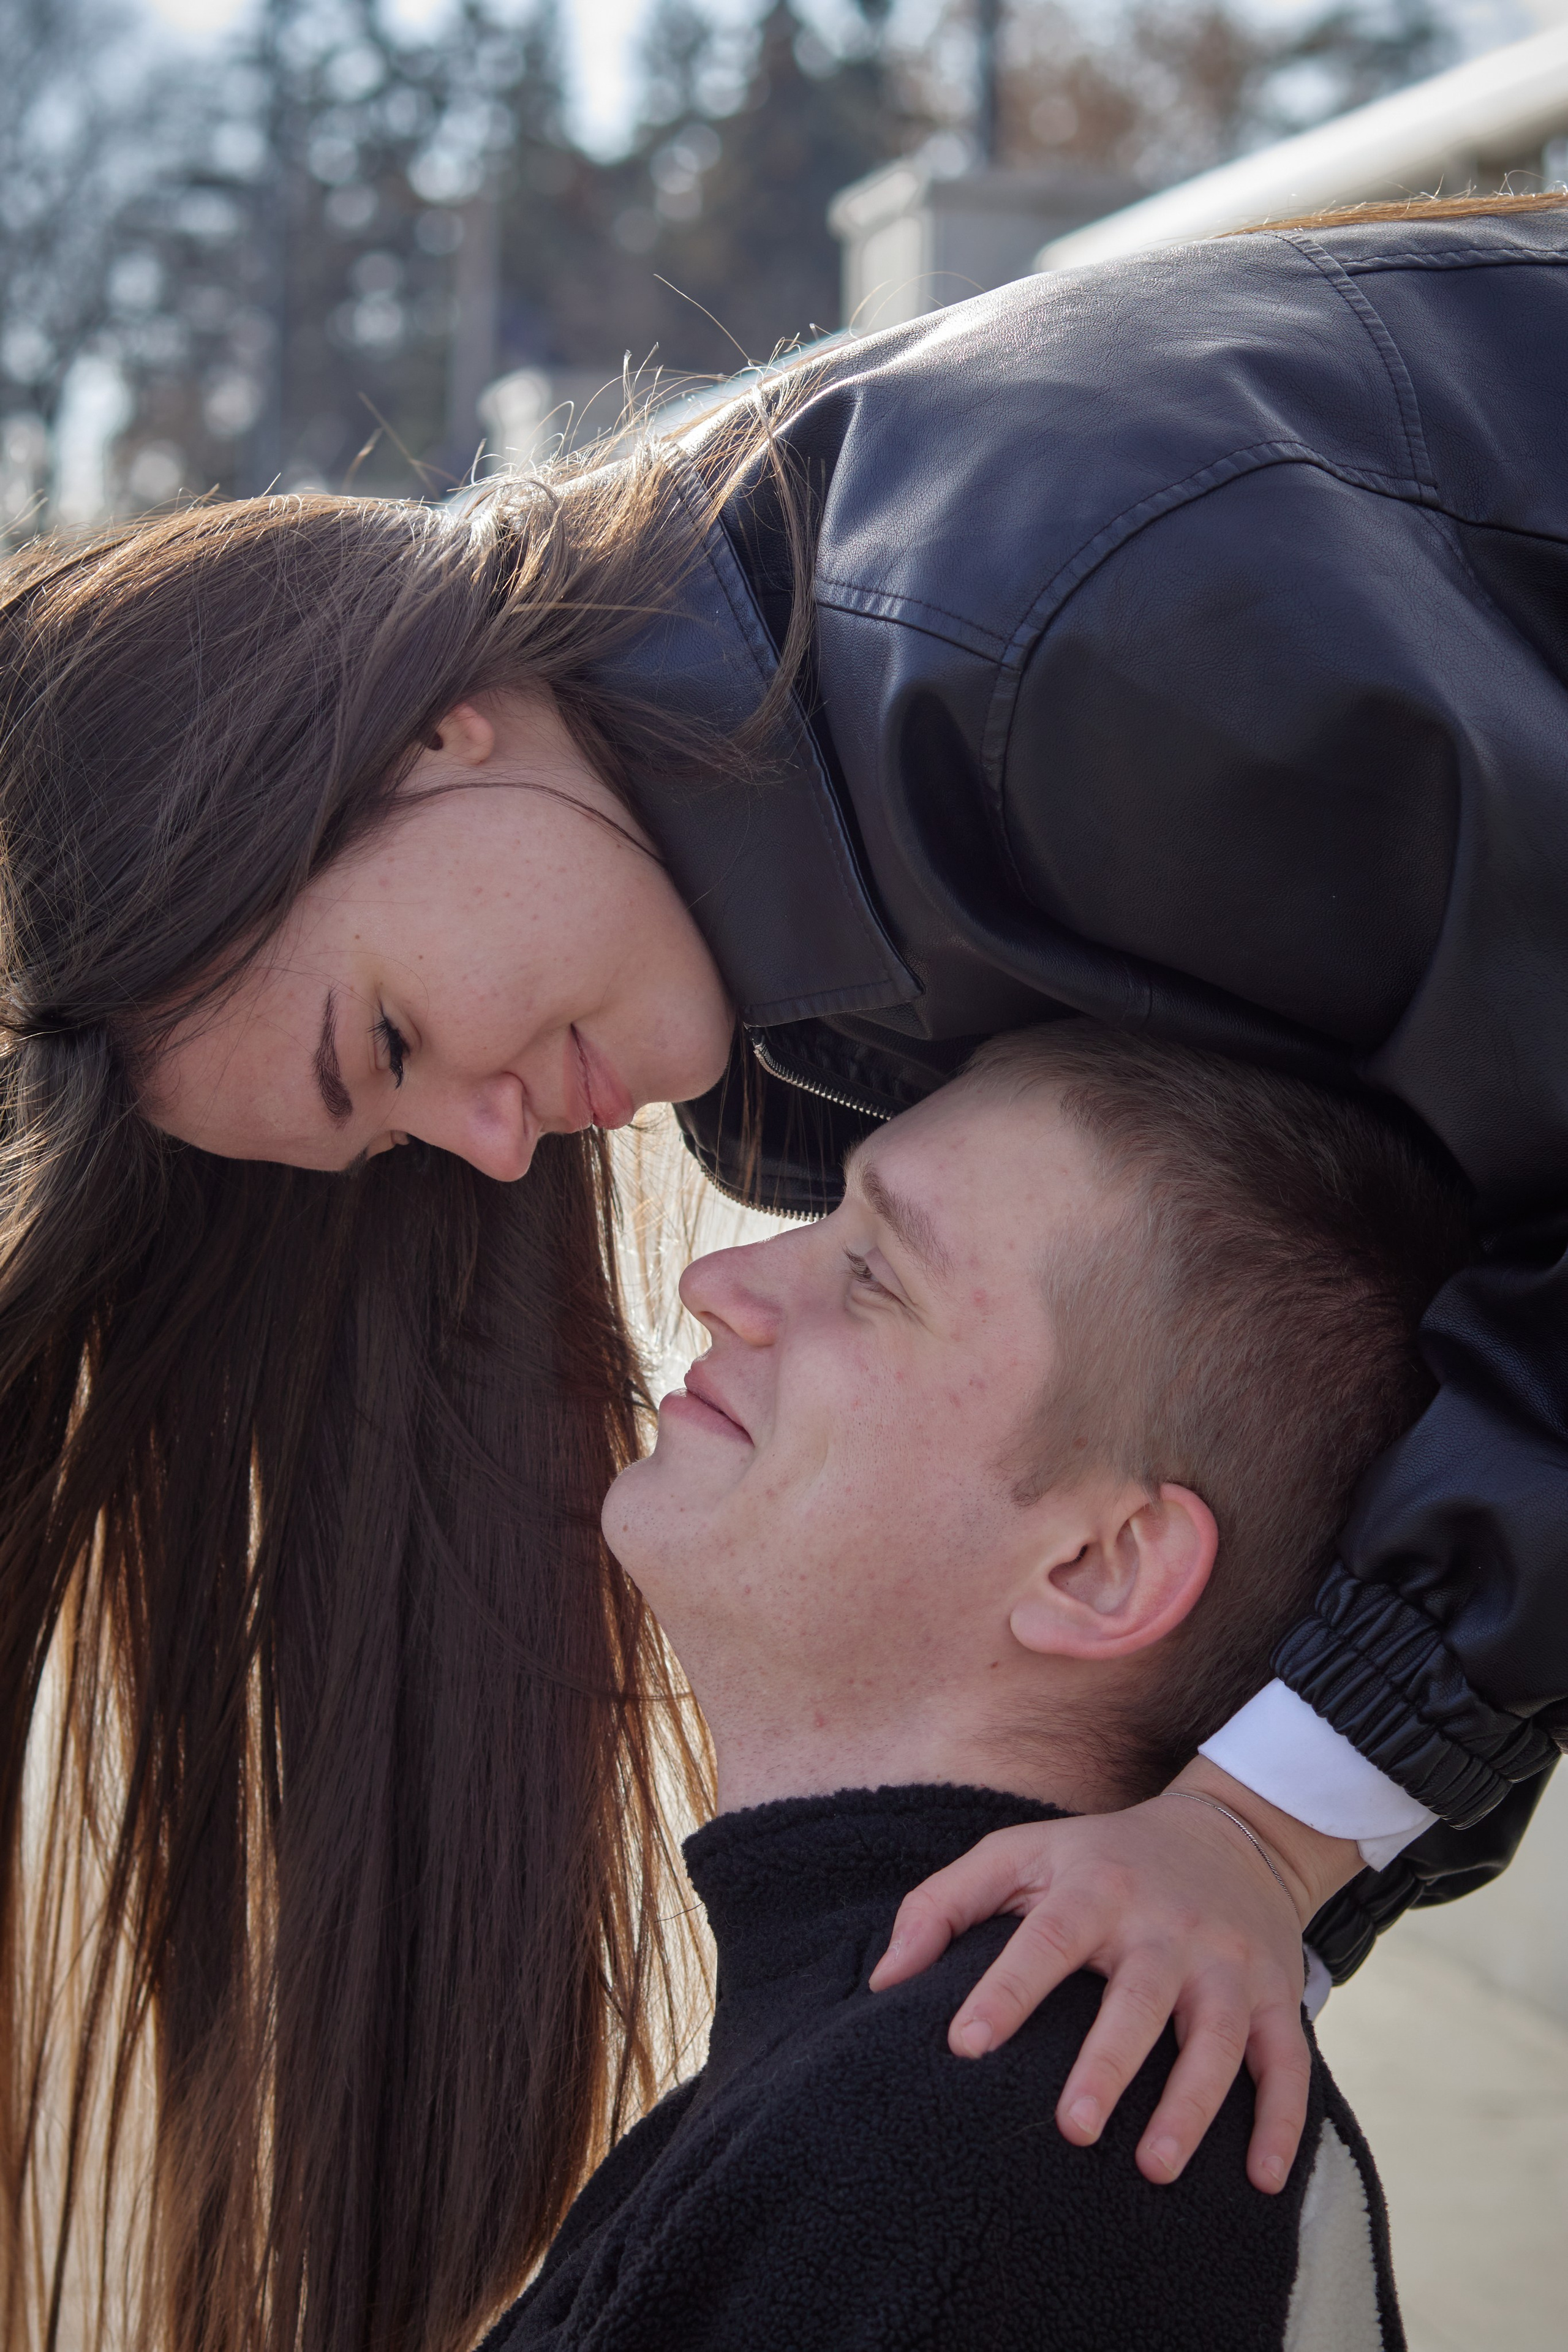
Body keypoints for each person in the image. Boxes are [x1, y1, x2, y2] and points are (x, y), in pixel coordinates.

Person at [2, 186, 1564, 2352]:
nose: (489, 1143)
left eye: (394, 1047)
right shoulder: (792, 1018)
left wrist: (1268, 1827)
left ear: (431, 727)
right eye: (390, 1136)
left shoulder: (1049, 647)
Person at [489, 1021, 1463, 2351]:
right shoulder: (932, 2081)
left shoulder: (1004, 2128)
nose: (717, 1282)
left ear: (1101, 1566)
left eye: (874, 1276)